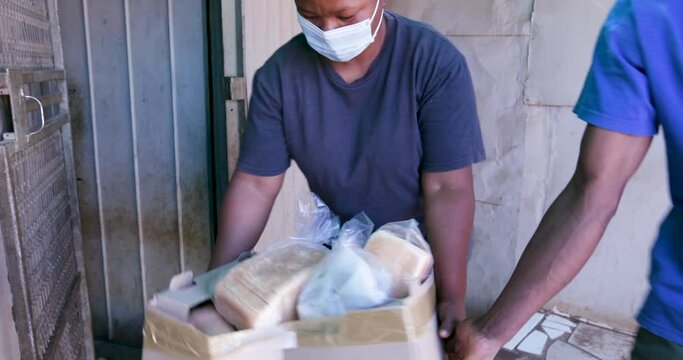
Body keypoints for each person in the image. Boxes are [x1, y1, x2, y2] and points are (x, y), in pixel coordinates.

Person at [208, 0, 486, 351]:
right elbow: (256, 185)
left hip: (421, 258)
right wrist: (214, 282)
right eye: (310, 16)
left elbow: (447, 188)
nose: (328, 31)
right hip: (343, 253)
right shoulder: (279, 77)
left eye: (345, 16)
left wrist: (451, 296)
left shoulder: (432, 62)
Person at [450, 0, 683, 358]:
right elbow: (593, 191)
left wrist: (488, 334)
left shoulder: (647, 11)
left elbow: (593, 193)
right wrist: (486, 334)